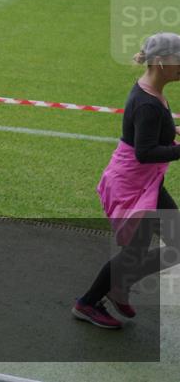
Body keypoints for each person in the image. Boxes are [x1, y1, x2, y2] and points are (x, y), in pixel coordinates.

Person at [73, 32, 180, 329]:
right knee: (135, 251)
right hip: (134, 184)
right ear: (160, 63)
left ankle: (118, 285)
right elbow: (146, 152)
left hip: (146, 183)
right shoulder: (147, 103)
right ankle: (88, 302)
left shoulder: (153, 91)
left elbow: (151, 136)